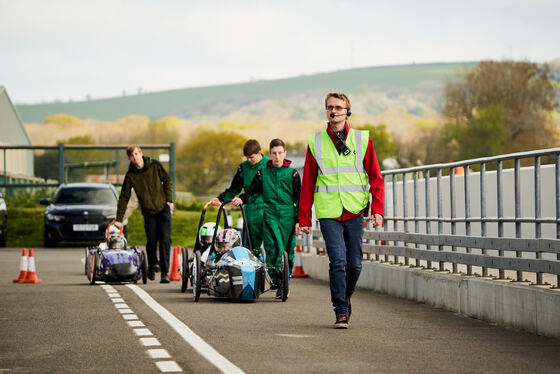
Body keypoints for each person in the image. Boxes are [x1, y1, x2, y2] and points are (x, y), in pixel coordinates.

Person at [299, 93, 384, 329]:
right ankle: (340, 311)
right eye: (329, 108)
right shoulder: (315, 142)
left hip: (355, 209)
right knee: (338, 260)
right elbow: (308, 183)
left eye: (338, 107)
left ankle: (345, 298)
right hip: (329, 212)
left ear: (348, 111)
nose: (333, 111)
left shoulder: (362, 139)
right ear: (326, 111)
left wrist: (377, 209)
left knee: (355, 264)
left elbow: (376, 178)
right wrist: (304, 217)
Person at [232, 139, 301, 299]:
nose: (277, 156)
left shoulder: (293, 173)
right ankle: (277, 280)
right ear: (269, 155)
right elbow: (251, 191)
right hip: (269, 213)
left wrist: (299, 220)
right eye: (274, 153)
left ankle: (286, 280)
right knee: (274, 247)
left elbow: (299, 199)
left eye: (280, 153)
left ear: (285, 154)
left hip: (288, 214)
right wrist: (242, 199)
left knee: (288, 250)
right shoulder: (262, 173)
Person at [115, 145, 173, 283]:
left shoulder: (155, 165)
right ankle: (152, 265)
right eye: (132, 156)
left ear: (141, 153)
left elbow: (168, 180)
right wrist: (119, 219)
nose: (135, 157)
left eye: (136, 154)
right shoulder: (131, 175)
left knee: (165, 240)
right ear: (130, 158)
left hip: (163, 208)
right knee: (151, 242)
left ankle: (165, 273)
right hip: (148, 212)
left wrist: (169, 200)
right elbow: (124, 196)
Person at [211, 139, 270, 254]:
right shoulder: (243, 167)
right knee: (251, 247)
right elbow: (234, 188)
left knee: (271, 243)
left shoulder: (270, 165)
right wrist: (220, 198)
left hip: (268, 209)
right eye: (246, 157)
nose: (249, 160)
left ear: (259, 153)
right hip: (250, 211)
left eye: (251, 157)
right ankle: (253, 266)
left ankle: (274, 270)